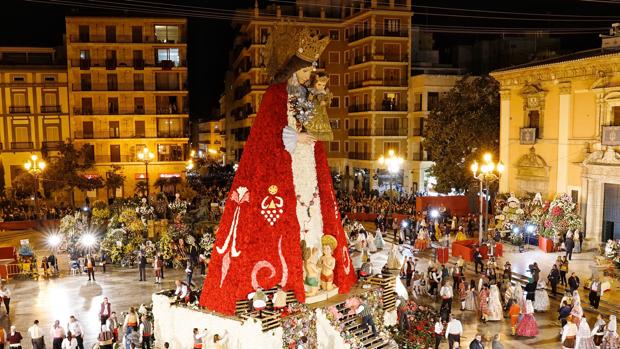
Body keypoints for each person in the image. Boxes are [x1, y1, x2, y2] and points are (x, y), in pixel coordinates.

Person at [198, 26, 355, 315]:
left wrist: (316, 108)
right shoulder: (275, 95)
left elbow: (313, 122)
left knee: (313, 215)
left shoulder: (305, 96)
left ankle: (320, 276)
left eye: (311, 72)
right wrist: (297, 138)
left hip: (306, 163)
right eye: (306, 71)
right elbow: (270, 132)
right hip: (286, 166)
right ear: (293, 69)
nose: (310, 77)